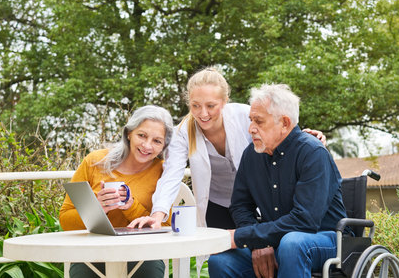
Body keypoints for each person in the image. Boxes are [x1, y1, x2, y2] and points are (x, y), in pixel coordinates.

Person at [129, 68, 326, 231]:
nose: (202, 113)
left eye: (211, 106)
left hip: (257, 200)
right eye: (195, 105)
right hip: (217, 205)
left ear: (225, 101)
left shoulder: (245, 117)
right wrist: (157, 215)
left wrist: (302, 137)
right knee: (225, 262)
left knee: (265, 257)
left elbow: (277, 135)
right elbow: (171, 175)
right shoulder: (182, 133)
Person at [208, 83, 347, 278]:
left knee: (292, 244)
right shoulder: (251, 155)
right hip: (278, 240)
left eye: (259, 121)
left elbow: (305, 221)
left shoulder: (312, 152)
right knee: (220, 262)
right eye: (251, 120)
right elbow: (240, 206)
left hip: (328, 239)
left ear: (284, 123)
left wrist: (243, 237)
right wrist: (258, 244)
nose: (251, 129)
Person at [59, 105, 173, 278]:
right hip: (93, 253)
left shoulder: (164, 172)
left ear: (164, 145)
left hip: (142, 255)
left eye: (157, 141)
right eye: (141, 135)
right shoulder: (94, 162)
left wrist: (130, 206)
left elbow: (165, 226)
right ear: (129, 133)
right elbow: (65, 220)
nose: (147, 145)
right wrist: (97, 209)